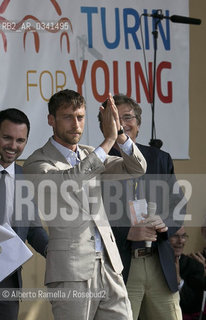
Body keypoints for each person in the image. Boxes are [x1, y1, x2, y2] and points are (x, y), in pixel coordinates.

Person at [23, 89, 147, 320]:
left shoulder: (91, 154)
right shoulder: (37, 162)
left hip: (109, 265)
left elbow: (136, 168)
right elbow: (70, 181)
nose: (75, 124)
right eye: (68, 116)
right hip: (71, 270)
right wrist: (108, 141)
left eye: (80, 117)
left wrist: (119, 134)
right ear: (51, 120)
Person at [98, 94, 185, 320]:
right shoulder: (97, 163)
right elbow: (91, 218)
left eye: (128, 117)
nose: (122, 124)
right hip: (121, 267)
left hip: (160, 263)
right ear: (104, 125)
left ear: (138, 123)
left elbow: (179, 207)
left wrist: (163, 223)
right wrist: (126, 231)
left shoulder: (159, 159)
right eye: (115, 119)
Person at [0, 108, 48, 320]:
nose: (13, 146)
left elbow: (33, 228)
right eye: (6, 138)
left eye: (20, 140)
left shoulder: (24, 177)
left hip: (8, 280)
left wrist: (56, 251)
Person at [169, 227, 205, 318]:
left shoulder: (195, 266)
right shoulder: (150, 263)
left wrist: (178, 280)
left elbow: (194, 306)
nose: (180, 241)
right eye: (175, 236)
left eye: (184, 236)